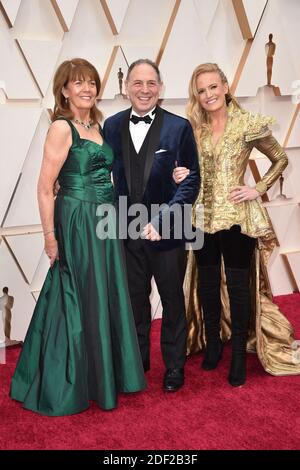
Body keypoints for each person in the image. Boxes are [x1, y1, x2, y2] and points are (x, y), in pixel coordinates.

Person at [10, 58, 146, 416]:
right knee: (75, 292)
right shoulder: (61, 128)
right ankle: (64, 378)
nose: (87, 89)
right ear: (65, 90)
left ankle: (101, 374)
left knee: (102, 292)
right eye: (78, 83)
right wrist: (49, 237)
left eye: (91, 82)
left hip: (104, 219)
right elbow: (43, 188)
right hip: (77, 219)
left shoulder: (96, 126)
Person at [173, 62, 300, 386]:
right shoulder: (194, 129)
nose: (208, 95)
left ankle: (241, 356)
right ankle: (214, 344)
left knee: (240, 286)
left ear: (225, 86)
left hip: (238, 219)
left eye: (213, 87)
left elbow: (280, 158)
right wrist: (183, 174)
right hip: (202, 216)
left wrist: (257, 188)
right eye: (201, 90)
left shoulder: (247, 123)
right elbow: (190, 169)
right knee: (208, 283)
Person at [103, 59, 200, 392]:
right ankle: (137, 362)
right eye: (137, 83)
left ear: (161, 88)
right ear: (127, 87)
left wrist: (165, 219)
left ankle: (174, 367)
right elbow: (104, 176)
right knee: (134, 302)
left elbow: (192, 180)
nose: (144, 90)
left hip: (169, 231)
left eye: (151, 83)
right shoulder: (111, 126)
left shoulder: (179, 127)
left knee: (172, 300)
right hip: (127, 232)